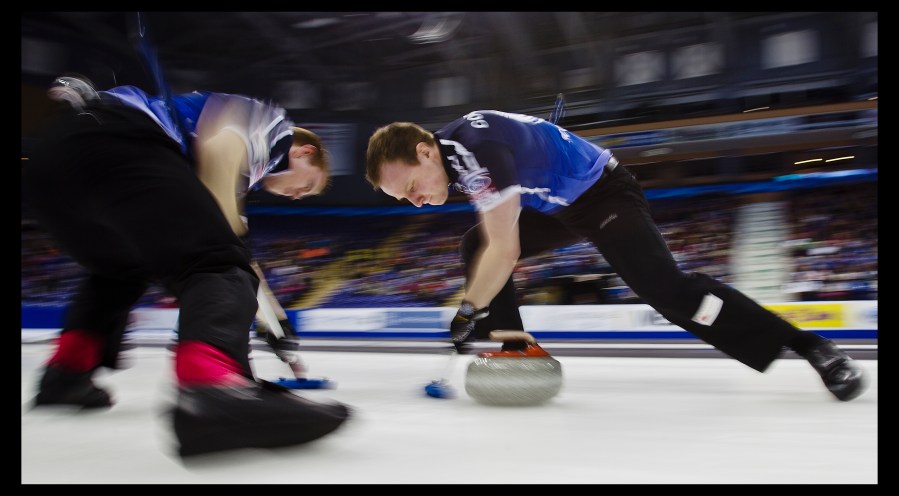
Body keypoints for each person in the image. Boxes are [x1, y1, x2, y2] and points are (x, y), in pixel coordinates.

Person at [364, 110, 868, 402]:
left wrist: (467, 310)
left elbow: (507, 247)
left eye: (411, 187)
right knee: (472, 243)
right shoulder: (455, 151)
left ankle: (811, 348)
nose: (416, 201)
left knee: (669, 293)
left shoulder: (473, 155)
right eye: (403, 199)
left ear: (425, 152)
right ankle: (516, 348)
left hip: (604, 195)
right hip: (555, 203)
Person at [22, 75, 351, 457]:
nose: (298, 196)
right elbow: (222, 150)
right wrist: (233, 248)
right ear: (304, 153)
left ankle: (67, 373)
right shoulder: (272, 127)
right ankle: (212, 387)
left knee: (120, 271)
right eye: (307, 186)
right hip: (115, 139)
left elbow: (230, 245)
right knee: (216, 263)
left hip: (53, 161)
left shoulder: (242, 171)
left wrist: (275, 322)